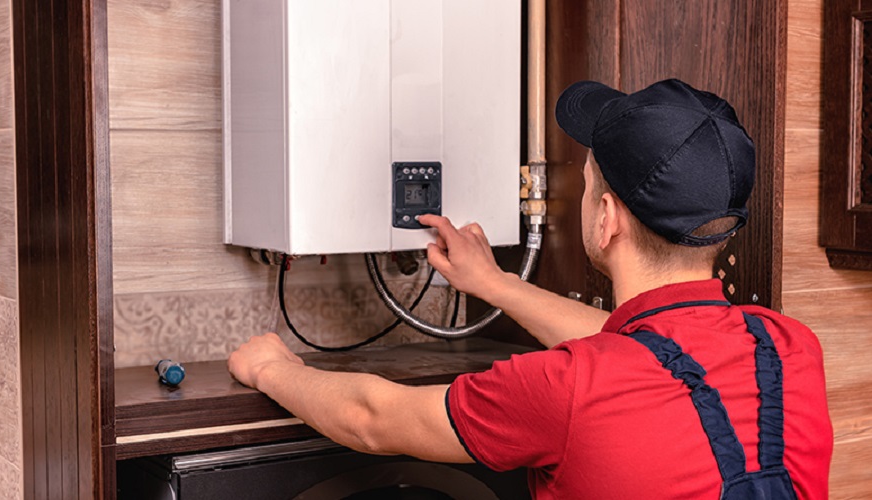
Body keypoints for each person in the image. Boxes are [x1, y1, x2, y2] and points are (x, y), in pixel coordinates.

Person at [228, 79, 833, 498]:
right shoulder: (789, 348)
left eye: (587, 179)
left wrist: (270, 369)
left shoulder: (565, 389)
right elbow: (653, 354)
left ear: (605, 218)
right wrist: (492, 283)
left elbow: (372, 419)